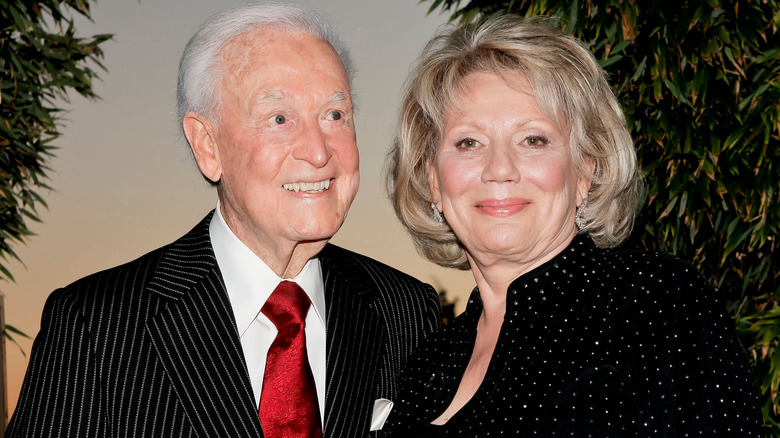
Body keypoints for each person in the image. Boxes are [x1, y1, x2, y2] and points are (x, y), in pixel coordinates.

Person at [8, 3, 440, 437]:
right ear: (207, 145)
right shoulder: (96, 324)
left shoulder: (403, 309)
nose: (318, 150)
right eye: (279, 118)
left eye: (334, 115)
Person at [382, 14, 763, 437]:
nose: (500, 169)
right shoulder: (428, 359)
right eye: (468, 142)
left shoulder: (654, 303)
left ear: (585, 170)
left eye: (533, 140)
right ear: (433, 180)